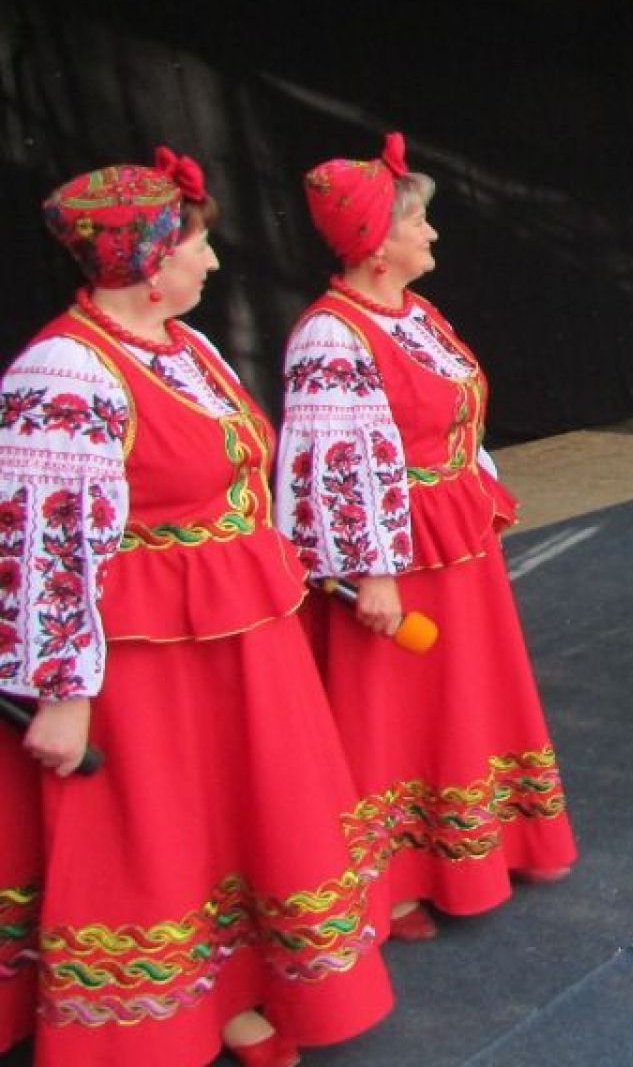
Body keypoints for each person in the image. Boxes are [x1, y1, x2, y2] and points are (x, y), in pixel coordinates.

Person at [0, 151, 392, 1067]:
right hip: (146, 656)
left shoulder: (187, 348)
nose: (212, 262)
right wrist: (59, 691)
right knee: (157, 831)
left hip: (234, 634)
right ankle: (148, 1029)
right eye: (197, 246)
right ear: (149, 261)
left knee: (234, 819)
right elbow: (46, 541)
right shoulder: (63, 369)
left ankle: (233, 993)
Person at [276, 133, 576, 945]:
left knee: (465, 696)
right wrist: (368, 574)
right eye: (418, 223)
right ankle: (399, 879)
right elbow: (329, 468)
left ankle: (485, 845)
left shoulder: (415, 313)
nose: (433, 233)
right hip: (396, 557)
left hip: (451, 536)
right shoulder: (331, 337)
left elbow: (454, 414)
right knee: (396, 714)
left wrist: (475, 486)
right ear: (378, 245)